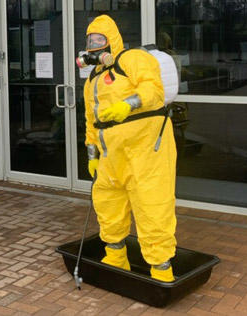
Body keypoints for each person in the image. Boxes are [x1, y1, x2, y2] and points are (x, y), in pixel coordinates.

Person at [83, 15, 177, 282]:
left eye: (100, 39)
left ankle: (161, 269)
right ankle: (116, 256)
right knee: (107, 202)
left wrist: (129, 104)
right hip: (111, 155)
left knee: (152, 204)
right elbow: (91, 120)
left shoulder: (132, 60)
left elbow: (153, 90)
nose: (94, 45)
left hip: (146, 149)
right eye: (90, 40)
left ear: (112, 40)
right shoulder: (92, 80)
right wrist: (92, 153)